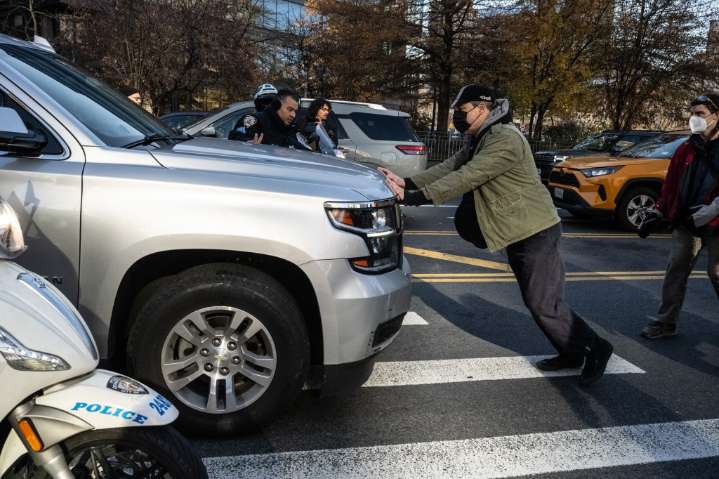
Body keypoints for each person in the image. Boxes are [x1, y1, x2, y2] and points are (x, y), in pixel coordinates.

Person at [380, 84, 614, 386]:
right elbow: (452, 166)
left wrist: (414, 197)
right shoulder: (483, 136)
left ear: (482, 108)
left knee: (543, 301)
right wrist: (408, 182)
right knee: (540, 300)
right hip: (519, 229)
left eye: (461, 111)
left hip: (535, 230)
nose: (456, 117)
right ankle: (570, 352)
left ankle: (596, 348)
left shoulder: (505, 139)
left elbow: (469, 175)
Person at [639, 93, 719, 339]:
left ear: (716, 116)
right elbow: (670, 186)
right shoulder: (686, 149)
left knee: (717, 273)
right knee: (676, 269)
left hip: (716, 222)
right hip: (686, 221)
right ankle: (665, 323)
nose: (694, 118)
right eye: (693, 113)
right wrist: (658, 210)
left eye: (700, 114)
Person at [228, 88, 311, 151]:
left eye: (295, 111)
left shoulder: (290, 128)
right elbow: (235, 140)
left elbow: (301, 149)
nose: (293, 115)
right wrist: (248, 145)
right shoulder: (255, 120)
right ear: (276, 106)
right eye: (290, 109)